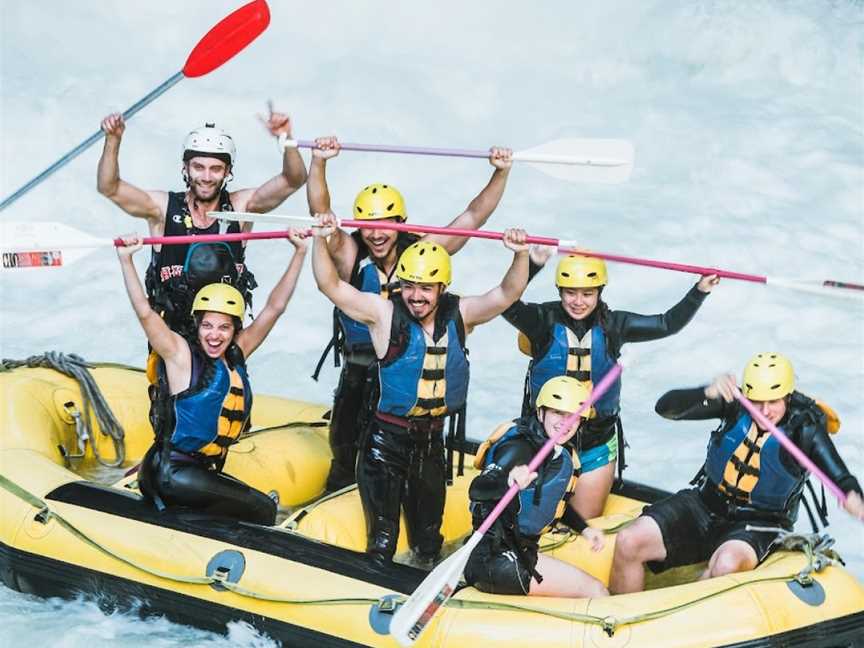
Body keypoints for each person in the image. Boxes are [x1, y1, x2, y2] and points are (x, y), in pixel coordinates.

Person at [312, 212, 529, 565]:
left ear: (441, 288)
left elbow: (507, 293)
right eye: (409, 286)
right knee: (382, 540)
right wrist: (319, 240)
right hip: (384, 443)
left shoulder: (462, 313)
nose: (416, 296)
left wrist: (520, 255)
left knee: (429, 540)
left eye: (425, 288)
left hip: (430, 444)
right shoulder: (382, 313)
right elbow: (331, 286)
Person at [307, 135, 514, 493]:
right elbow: (319, 212)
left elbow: (472, 217)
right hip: (361, 364)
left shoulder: (422, 253)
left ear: (402, 222)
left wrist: (500, 173)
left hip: (405, 369)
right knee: (344, 443)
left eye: (386, 223)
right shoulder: (347, 251)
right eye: (368, 225)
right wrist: (320, 162)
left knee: (399, 451)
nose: (376, 233)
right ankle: (336, 494)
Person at [609, 352, 864, 594]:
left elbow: (840, 476)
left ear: (788, 396)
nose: (764, 411)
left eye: (773, 402)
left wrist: (852, 496)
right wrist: (706, 392)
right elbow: (665, 408)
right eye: (757, 401)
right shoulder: (734, 405)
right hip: (703, 504)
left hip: (761, 523)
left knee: (725, 566)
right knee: (629, 541)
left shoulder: (804, 429)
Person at [503, 251, 720, 519]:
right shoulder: (542, 321)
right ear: (559, 290)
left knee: (583, 521)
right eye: (570, 293)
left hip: (596, 439)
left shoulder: (614, 325)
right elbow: (506, 302)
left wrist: (700, 290)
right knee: (530, 515)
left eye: (587, 294)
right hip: (541, 440)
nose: (578, 302)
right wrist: (533, 263)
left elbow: (667, 323)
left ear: (599, 292)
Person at [116, 229, 308, 524]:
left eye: (223, 328)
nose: (214, 336)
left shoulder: (236, 354)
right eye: (208, 326)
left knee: (239, 500)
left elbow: (274, 308)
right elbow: (145, 313)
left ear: (234, 331)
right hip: (172, 473)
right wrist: (126, 259)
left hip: (194, 473)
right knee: (264, 509)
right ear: (197, 325)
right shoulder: (181, 355)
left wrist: (300, 252)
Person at [98, 107, 307, 332]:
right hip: (170, 342)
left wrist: (286, 140)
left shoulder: (241, 207)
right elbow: (109, 187)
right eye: (198, 167)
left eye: (216, 169)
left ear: (228, 172)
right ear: (185, 167)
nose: (206, 177)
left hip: (221, 339)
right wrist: (113, 139)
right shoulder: (161, 209)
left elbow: (293, 180)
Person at [465, 376, 609, 598]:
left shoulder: (556, 451)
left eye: (573, 417)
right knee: (596, 591)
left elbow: (547, 503)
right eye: (557, 413)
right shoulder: (519, 447)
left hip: (516, 550)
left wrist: (584, 528)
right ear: (540, 413)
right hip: (495, 559)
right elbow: (481, 487)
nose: (565, 423)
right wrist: (508, 478)